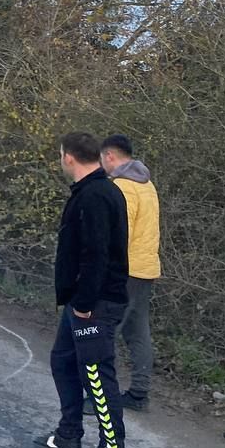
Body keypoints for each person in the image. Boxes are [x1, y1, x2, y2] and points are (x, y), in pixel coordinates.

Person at [34, 132, 131, 448]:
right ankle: (68, 435)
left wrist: (85, 304)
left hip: (95, 302)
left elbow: (97, 254)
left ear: (69, 158)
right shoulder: (92, 191)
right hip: (81, 299)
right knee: (63, 361)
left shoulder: (95, 196)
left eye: (61, 155)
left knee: (95, 373)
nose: (61, 160)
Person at [98, 133, 161, 411]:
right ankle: (139, 393)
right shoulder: (147, 184)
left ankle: (101, 397)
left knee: (105, 332)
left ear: (110, 156)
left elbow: (119, 235)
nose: (102, 166)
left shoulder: (123, 187)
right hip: (146, 269)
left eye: (102, 159)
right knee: (138, 332)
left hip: (125, 271)